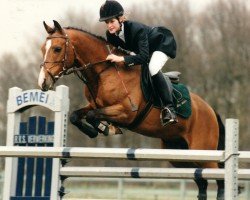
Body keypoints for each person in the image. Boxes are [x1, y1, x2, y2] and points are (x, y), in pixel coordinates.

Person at [99, 0, 178, 126]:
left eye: (112, 21)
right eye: (107, 22)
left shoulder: (136, 29)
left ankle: (170, 109)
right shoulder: (111, 35)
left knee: (152, 68)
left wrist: (122, 59)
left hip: (161, 43)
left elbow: (144, 58)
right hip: (143, 50)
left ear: (120, 19)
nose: (109, 25)